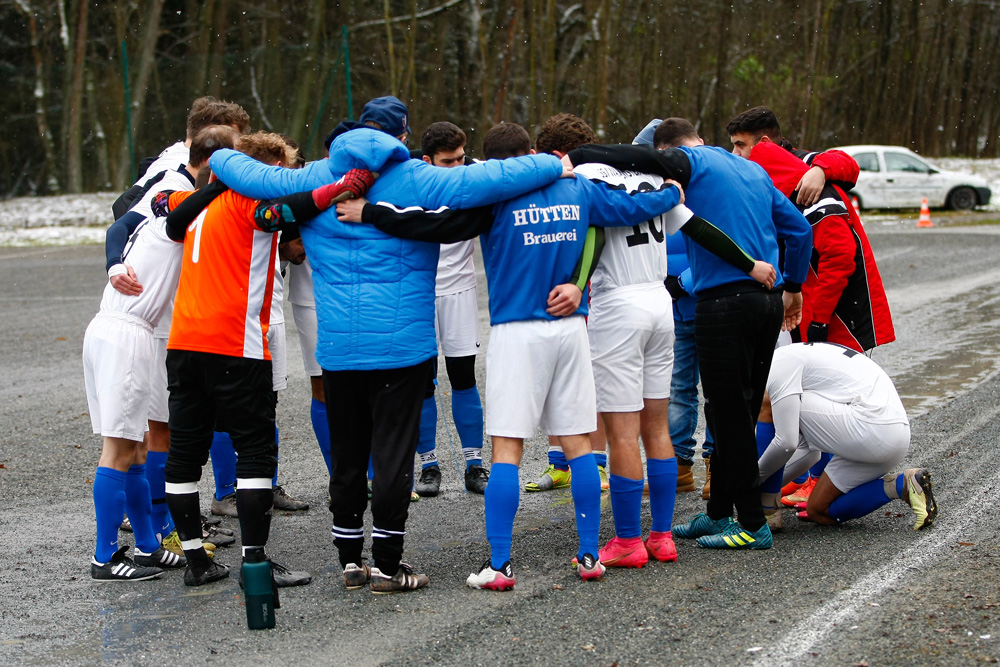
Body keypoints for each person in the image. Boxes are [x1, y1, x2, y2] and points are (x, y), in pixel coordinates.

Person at [338, 118, 771, 587]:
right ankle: (591, 556)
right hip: (582, 326)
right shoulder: (581, 190)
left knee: (508, 447)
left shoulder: (496, 195)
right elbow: (634, 210)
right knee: (585, 444)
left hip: (521, 328)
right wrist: (670, 193)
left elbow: (437, 224)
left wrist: (372, 213)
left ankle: (500, 565)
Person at [207, 96, 574, 594]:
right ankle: (387, 564)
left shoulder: (313, 177)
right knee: (394, 456)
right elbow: (496, 179)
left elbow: (242, 172)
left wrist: (220, 146)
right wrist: (553, 162)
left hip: (338, 348)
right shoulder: (419, 179)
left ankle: (349, 561)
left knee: (350, 454)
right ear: (402, 138)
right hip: (403, 349)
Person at [563, 117, 812, 550]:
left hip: (722, 302)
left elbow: (640, 163)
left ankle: (753, 523)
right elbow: (799, 229)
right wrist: (793, 286)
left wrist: (581, 155)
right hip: (767, 300)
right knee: (732, 409)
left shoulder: (686, 162)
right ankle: (718, 513)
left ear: (669, 154)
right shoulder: (750, 168)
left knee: (728, 414)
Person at [156, 132, 373, 590]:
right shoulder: (246, 206)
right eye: (272, 172)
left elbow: (156, 201)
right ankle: (254, 562)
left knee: (183, 457)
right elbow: (290, 210)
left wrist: (209, 187)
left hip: (183, 345)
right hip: (235, 346)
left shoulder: (186, 200)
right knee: (254, 454)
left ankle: (196, 561)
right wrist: (339, 187)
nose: (279, 179)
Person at [84, 126, 241, 581]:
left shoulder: (167, 197)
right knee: (118, 450)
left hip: (115, 327)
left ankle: (149, 546)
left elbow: (124, 222)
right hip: (127, 332)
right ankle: (104, 556)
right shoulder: (178, 199)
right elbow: (176, 212)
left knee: (133, 449)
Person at [756, 342, 936, 531]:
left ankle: (766, 512)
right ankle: (904, 485)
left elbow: (786, 443)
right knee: (818, 510)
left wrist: (749, 483)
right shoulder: (798, 353)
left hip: (870, 428)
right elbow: (809, 455)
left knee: (769, 402)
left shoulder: (779, 362)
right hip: (895, 436)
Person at [412, 121, 490, 497]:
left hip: (460, 290)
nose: (458, 166)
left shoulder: (474, 178)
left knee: (463, 377)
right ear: (427, 160)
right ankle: (429, 465)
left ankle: (475, 464)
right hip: (417, 293)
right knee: (422, 382)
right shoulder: (409, 181)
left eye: (462, 158)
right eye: (448, 161)